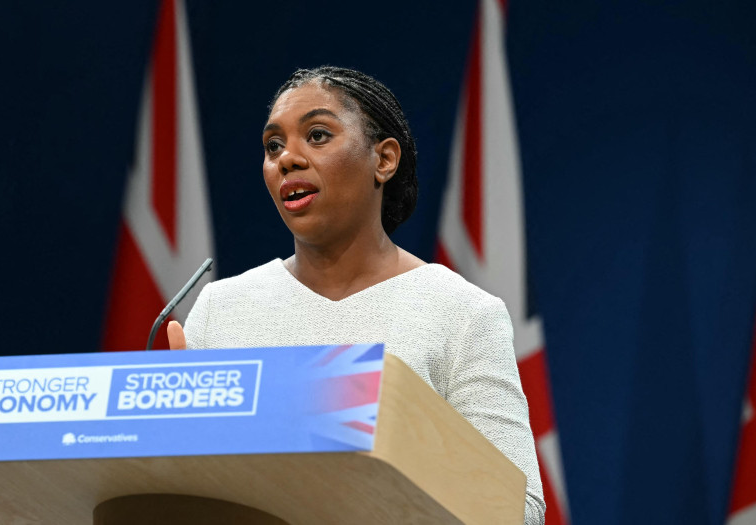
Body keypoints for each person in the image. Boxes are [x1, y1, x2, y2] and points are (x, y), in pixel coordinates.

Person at [165, 66, 546, 524]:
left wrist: (401, 441)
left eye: (318, 135)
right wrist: (168, 441)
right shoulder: (219, 309)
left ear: (384, 159)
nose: (287, 158)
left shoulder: (462, 313)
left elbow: (520, 510)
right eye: (273, 145)